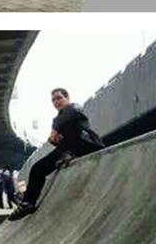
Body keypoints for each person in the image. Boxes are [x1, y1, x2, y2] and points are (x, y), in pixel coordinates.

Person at [9, 88, 104, 221]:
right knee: (37, 169)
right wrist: (54, 139)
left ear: (67, 98)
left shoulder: (74, 108)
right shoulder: (57, 119)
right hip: (65, 148)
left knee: (72, 129)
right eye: (53, 100)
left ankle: (71, 153)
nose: (56, 102)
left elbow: (71, 114)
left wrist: (55, 129)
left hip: (84, 143)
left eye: (59, 98)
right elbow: (55, 140)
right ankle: (28, 203)